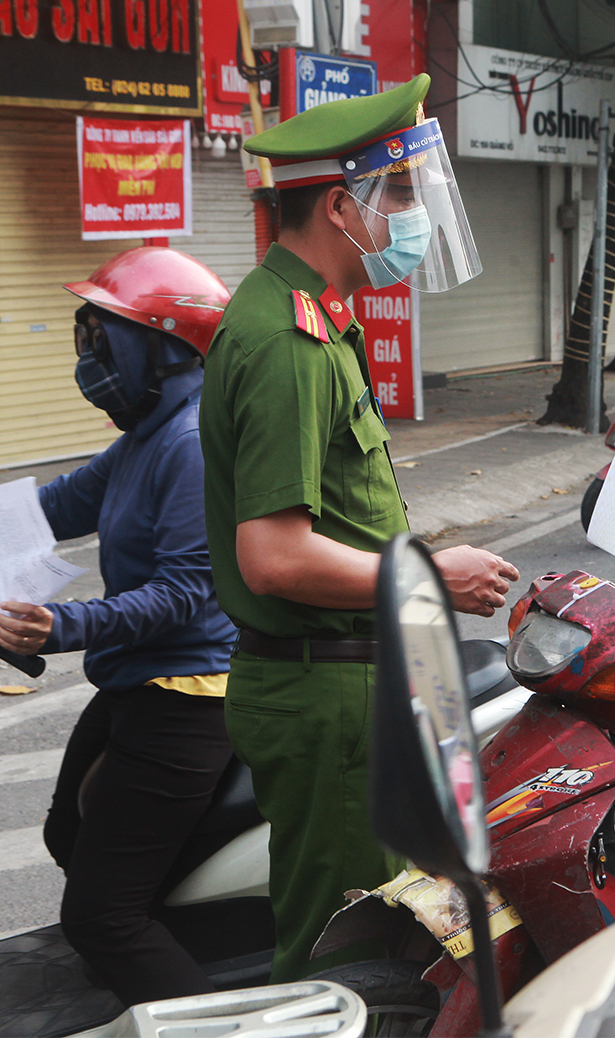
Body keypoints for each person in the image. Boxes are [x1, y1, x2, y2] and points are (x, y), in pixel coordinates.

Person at [199, 75, 519, 982]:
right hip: (323, 694)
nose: (414, 219)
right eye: (405, 195)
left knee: (383, 944)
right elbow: (273, 555)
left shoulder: (317, 321)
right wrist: (427, 573)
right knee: (348, 959)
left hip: (355, 681)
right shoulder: (285, 340)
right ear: (342, 206)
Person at [0, 247, 238, 1007]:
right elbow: (50, 509)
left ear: (160, 348)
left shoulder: (191, 444)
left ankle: (205, 1017)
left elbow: (184, 594)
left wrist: (60, 624)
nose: (90, 358)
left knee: (101, 916)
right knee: (69, 832)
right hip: (140, 682)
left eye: (103, 340)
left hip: (188, 698)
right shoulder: (143, 439)